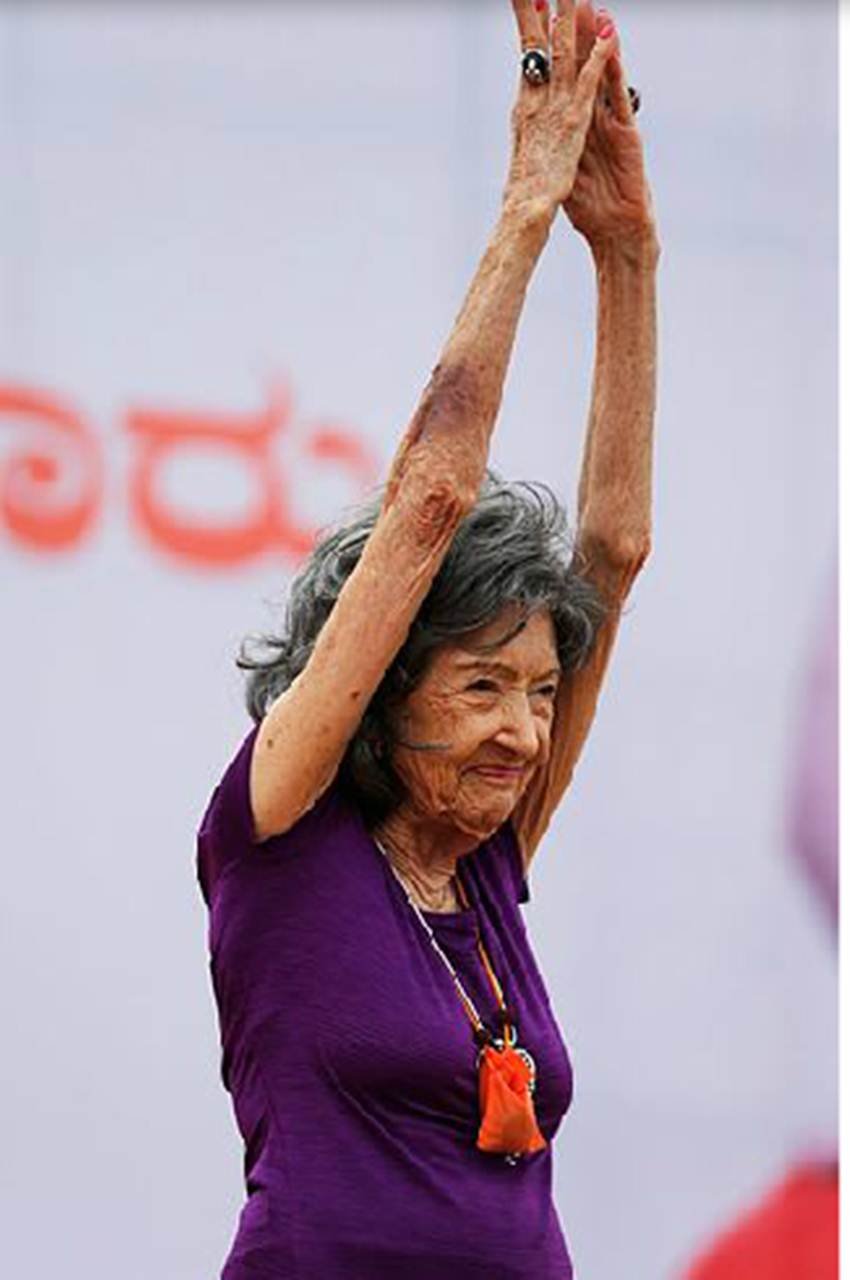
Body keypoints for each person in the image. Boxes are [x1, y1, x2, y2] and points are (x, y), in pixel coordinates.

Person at [196, 1, 658, 1276]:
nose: (525, 727)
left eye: (541, 691)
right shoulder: (278, 829)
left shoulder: (489, 852)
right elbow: (431, 501)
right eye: (482, 685)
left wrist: (624, 255)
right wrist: (524, 211)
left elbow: (613, 551)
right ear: (384, 691)